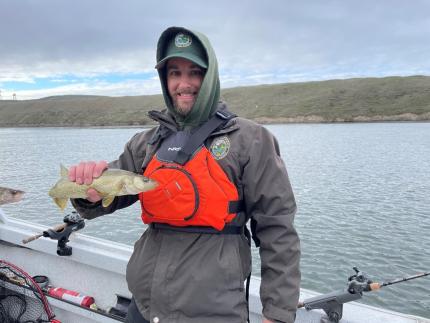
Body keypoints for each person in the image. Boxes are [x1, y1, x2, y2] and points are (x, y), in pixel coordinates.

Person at [69, 26, 300, 323]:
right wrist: (86, 192)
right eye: (174, 73)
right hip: (145, 305)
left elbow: (278, 230)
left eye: (194, 72)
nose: (184, 83)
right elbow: (103, 201)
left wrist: (278, 313)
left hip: (212, 310)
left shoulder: (251, 140)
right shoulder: (146, 142)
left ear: (210, 76)